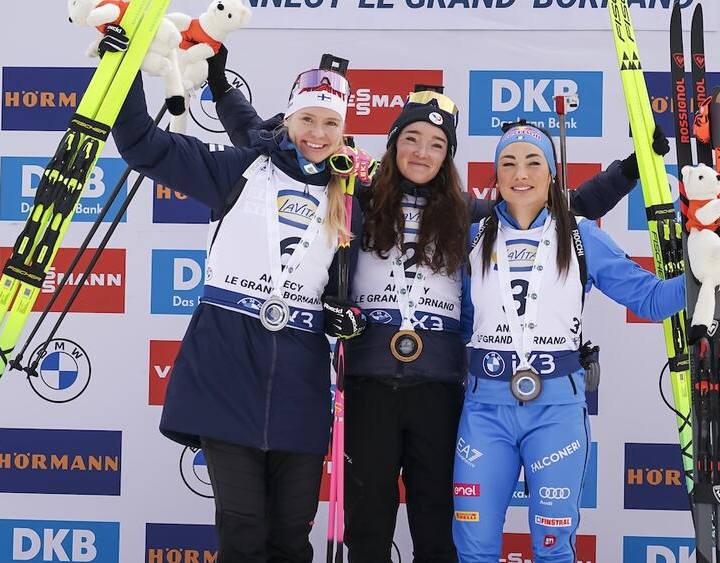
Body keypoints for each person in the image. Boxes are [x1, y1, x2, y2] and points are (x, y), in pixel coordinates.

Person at [206, 49, 668, 563]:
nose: (421, 152)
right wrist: (223, 91)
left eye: (435, 144)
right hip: (369, 383)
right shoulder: (356, 189)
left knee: (436, 523)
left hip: (441, 388)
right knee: (368, 523)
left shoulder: (468, 213)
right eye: (411, 140)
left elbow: (556, 208)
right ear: (394, 143)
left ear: (447, 154)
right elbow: (270, 147)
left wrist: (629, 171)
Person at [107, 36, 370, 562]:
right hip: (226, 370)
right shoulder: (241, 169)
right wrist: (123, 65)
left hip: (300, 381)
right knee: (243, 532)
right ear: (288, 120)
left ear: (345, 131)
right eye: (307, 120)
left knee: (291, 537)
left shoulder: (354, 195)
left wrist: (348, 316)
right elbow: (141, 143)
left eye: (330, 123)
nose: (317, 134)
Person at [452, 122, 687, 563]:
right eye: (509, 164)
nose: (521, 174)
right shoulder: (473, 237)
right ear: (496, 177)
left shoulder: (580, 236)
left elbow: (652, 300)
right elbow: (463, 321)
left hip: (556, 411)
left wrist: (704, 270)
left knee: (552, 546)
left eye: (533, 162)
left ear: (552, 174)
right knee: (474, 546)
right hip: (485, 412)